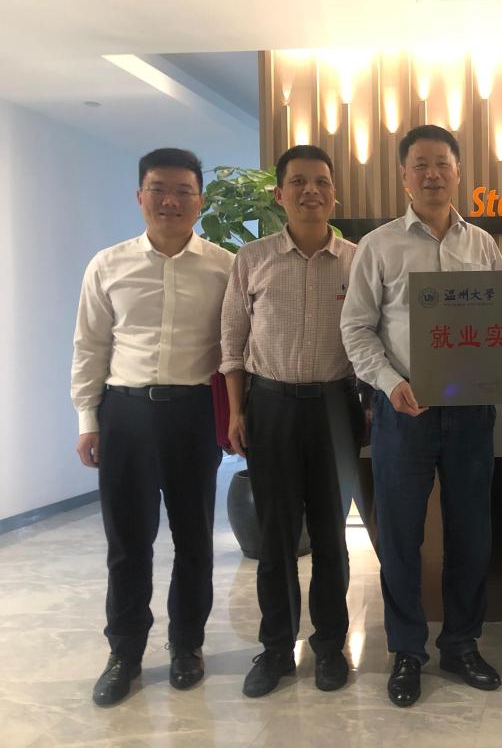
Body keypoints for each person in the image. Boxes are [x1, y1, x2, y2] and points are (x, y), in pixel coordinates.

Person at [340, 125, 502, 707]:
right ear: (404, 175)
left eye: (442, 163)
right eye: (420, 165)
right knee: (400, 538)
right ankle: (407, 651)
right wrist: (390, 384)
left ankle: (461, 643)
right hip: (402, 412)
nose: (432, 174)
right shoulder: (379, 246)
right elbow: (356, 329)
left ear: (458, 171)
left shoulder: (482, 245)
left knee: (471, 535)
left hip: (471, 413)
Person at [71, 148, 233, 706]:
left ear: (200, 200)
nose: (170, 201)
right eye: (159, 189)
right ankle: (125, 653)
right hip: (125, 414)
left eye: (183, 190)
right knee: (127, 543)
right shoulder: (108, 264)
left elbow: (234, 348)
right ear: (140, 196)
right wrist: (88, 419)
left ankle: (187, 645)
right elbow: (90, 346)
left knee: (194, 540)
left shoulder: (224, 267)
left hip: (193, 414)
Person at [221, 144, 362, 698]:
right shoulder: (252, 259)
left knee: (331, 537)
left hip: (335, 408)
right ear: (279, 193)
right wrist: (237, 411)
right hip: (272, 406)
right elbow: (232, 342)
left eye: (321, 181)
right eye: (298, 181)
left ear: (334, 193)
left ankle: (329, 647)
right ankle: (276, 649)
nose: (311, 191)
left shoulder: (357, 260)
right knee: (275, 538)